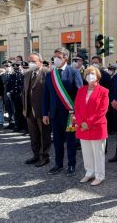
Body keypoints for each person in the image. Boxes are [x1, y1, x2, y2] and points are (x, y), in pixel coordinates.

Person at [42, 47, 83, 176]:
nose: (55, 59)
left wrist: (77, 112)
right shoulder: (50, 74)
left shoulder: (74, 72)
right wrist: (44, 113)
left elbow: (80, 94)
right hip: (54, 114)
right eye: (55, 57)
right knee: (58, 141)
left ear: (65, 58)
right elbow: (46, 95)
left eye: (58, 57)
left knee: (70, 141)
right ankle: (58, 164)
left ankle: (71, 164)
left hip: (70, 114)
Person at [75, 66, 109, 186]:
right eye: (88, 74)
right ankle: (89, 172)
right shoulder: (81, 90)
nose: (90, 76)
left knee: (98, 152)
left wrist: (88, 123)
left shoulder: (104, 91)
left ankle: (100, 175)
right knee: (86, 151)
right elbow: (77, 108)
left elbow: (102, 110)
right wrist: (81, 123)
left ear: (98, 76)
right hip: (83, 127)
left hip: (97, 126)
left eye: (93, 73)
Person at [22, 53, 52, 168]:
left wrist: (47, 112)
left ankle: (44, 157)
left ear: (40, 61)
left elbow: (49, 94)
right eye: (29, 61)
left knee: (44, 135)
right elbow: (25, 92)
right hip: (29, 110)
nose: (31, 63)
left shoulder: (47, 73)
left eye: (33, 61)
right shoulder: (27, 74)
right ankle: (36, 155)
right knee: (33, 134)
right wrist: (24, 108)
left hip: (42, 111)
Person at [7, 61, 26, 133]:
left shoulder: (23, 75)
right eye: (14, 68)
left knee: (23, 111)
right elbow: (9, 85)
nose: (16, 69)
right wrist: (8, 92)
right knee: (17, 112)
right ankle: (18, 126)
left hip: (21, 96)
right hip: (14, 96)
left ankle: (25, 127)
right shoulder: (12, 75)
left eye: (17, 68)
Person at [2, 60, 15, 129]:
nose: (7, 67)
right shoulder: (3, 75)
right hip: (5, 95)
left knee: (14, 109)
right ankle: (10, 122)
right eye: (5, 66)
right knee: (8, 109)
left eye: (8, 66)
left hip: (12, 95)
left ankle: (15, 123)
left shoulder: (13, 74)